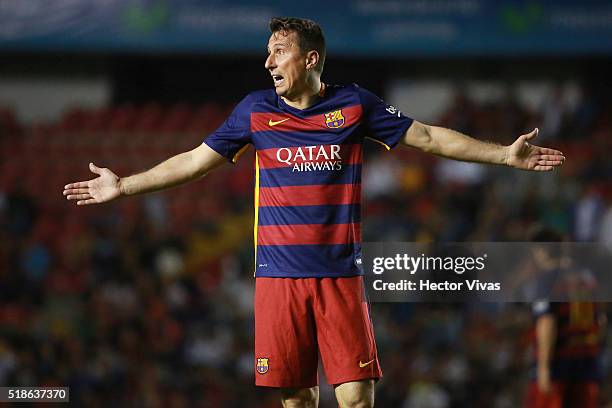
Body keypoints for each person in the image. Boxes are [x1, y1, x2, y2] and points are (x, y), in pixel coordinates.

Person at [63, 17, 565, 408]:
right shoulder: (254, 110)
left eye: (278, 52)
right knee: (297, 397)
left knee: (356, 396)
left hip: (340, 278)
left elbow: (429, 137)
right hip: (278, 278)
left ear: (310, 58)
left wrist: (503, 154)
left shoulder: (354, 105)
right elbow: (194, 163)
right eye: (267, 53)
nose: (268, 63)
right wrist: (123, 185)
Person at [525, 229, 606, 408]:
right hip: (587, 364)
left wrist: (543, 367)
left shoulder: (548, 278)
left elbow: (546, 321)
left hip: (559, 366)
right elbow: (600, 320)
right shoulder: (586, 278)